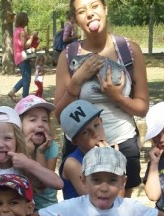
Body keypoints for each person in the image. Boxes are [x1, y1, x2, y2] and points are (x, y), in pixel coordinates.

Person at [53, 0, 149, 197]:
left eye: (95, 6)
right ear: (75, 20)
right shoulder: (68, 56)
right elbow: (59, 114)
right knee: (84, 212)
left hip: (122, 142)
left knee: (119, 214)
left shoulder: (129, 51)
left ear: (105, 9)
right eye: (81, 11)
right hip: (81, 145)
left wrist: (116, 97)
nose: (90, 14)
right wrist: (75, 83)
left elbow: (142, 107)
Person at [0, 106, 63, 216]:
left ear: (17, 140)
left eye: (8, 138)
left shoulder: (23, 164)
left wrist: (29, 164)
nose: (1, 145)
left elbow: (58, 184)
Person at [14, 96, 61, 208]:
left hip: (47, 207)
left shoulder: (51, 146)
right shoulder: (14, 146)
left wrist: (39, 152)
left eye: (44, 120)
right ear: (19, 125)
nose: (40, 124)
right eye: (33, 120)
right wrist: (25, 152)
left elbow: (42, 184)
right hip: (21, 207)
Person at [8, 12, 38, 102]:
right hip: (22, 57)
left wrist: (34, 39)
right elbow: (26, 45)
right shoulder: (21, 31)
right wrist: (32, 36)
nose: (28, 20)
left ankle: (13, 92)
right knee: (27, 79)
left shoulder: (16, 30)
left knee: (25, 77)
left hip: (18, 57)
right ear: (24, 20)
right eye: (27, 19)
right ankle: (25, 98)